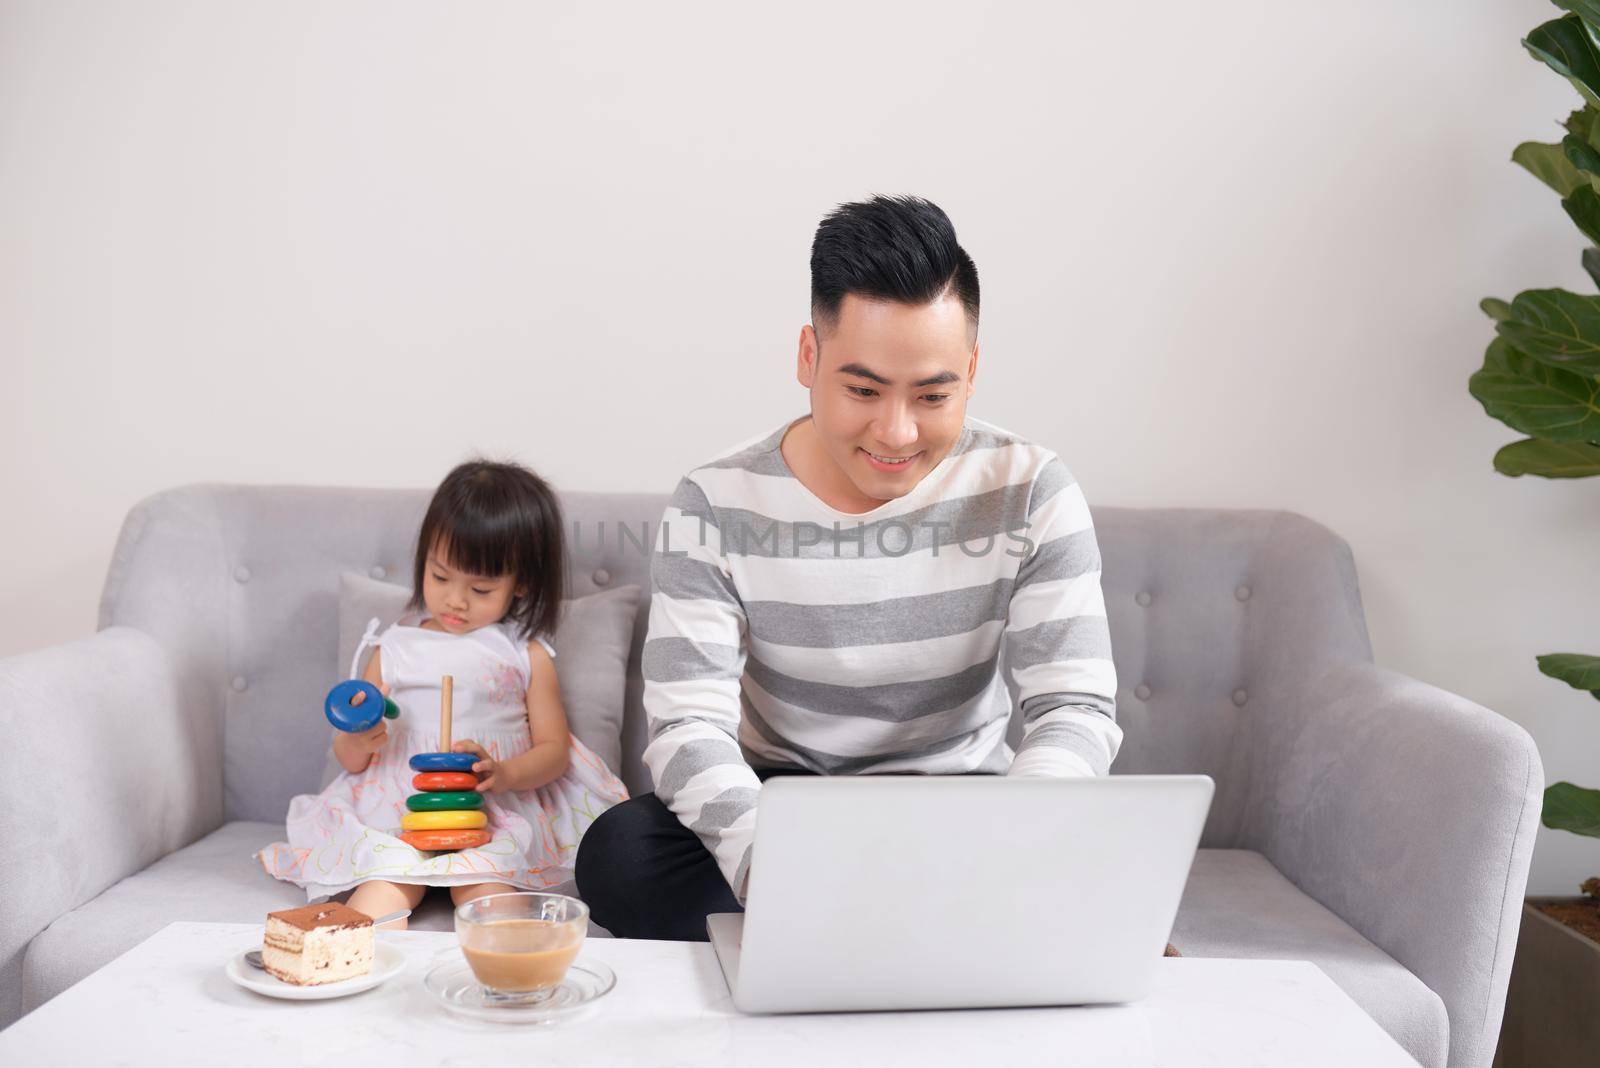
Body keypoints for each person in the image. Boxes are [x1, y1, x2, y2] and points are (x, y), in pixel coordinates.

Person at [574, 194, 1121, 941]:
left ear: (971, 371)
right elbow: (686, 726)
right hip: (789, 808)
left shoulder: (1031, 490)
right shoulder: (716, 501)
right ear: (809, 356)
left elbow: (1074, 709)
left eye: (933, 395)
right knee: (620, 857)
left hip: (964, 805)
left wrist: (1016, 844)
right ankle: (933, 925)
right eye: (862, 390)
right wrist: (778, 867)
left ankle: (871, 924)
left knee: (1100, 846)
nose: (895, 433)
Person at [258, 460, 629, 925]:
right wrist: (357, 741)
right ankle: (342, 953)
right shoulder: (393, 646)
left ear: (522, 585)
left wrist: (507, 773)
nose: (455, 600)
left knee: (489, 888)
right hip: (398, 806)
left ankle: (515, 968)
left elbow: (554, 751)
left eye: (480, 587)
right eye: (439, 577)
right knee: (387, 882)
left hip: (486, 810)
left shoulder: (524, 653)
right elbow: (350, 756)